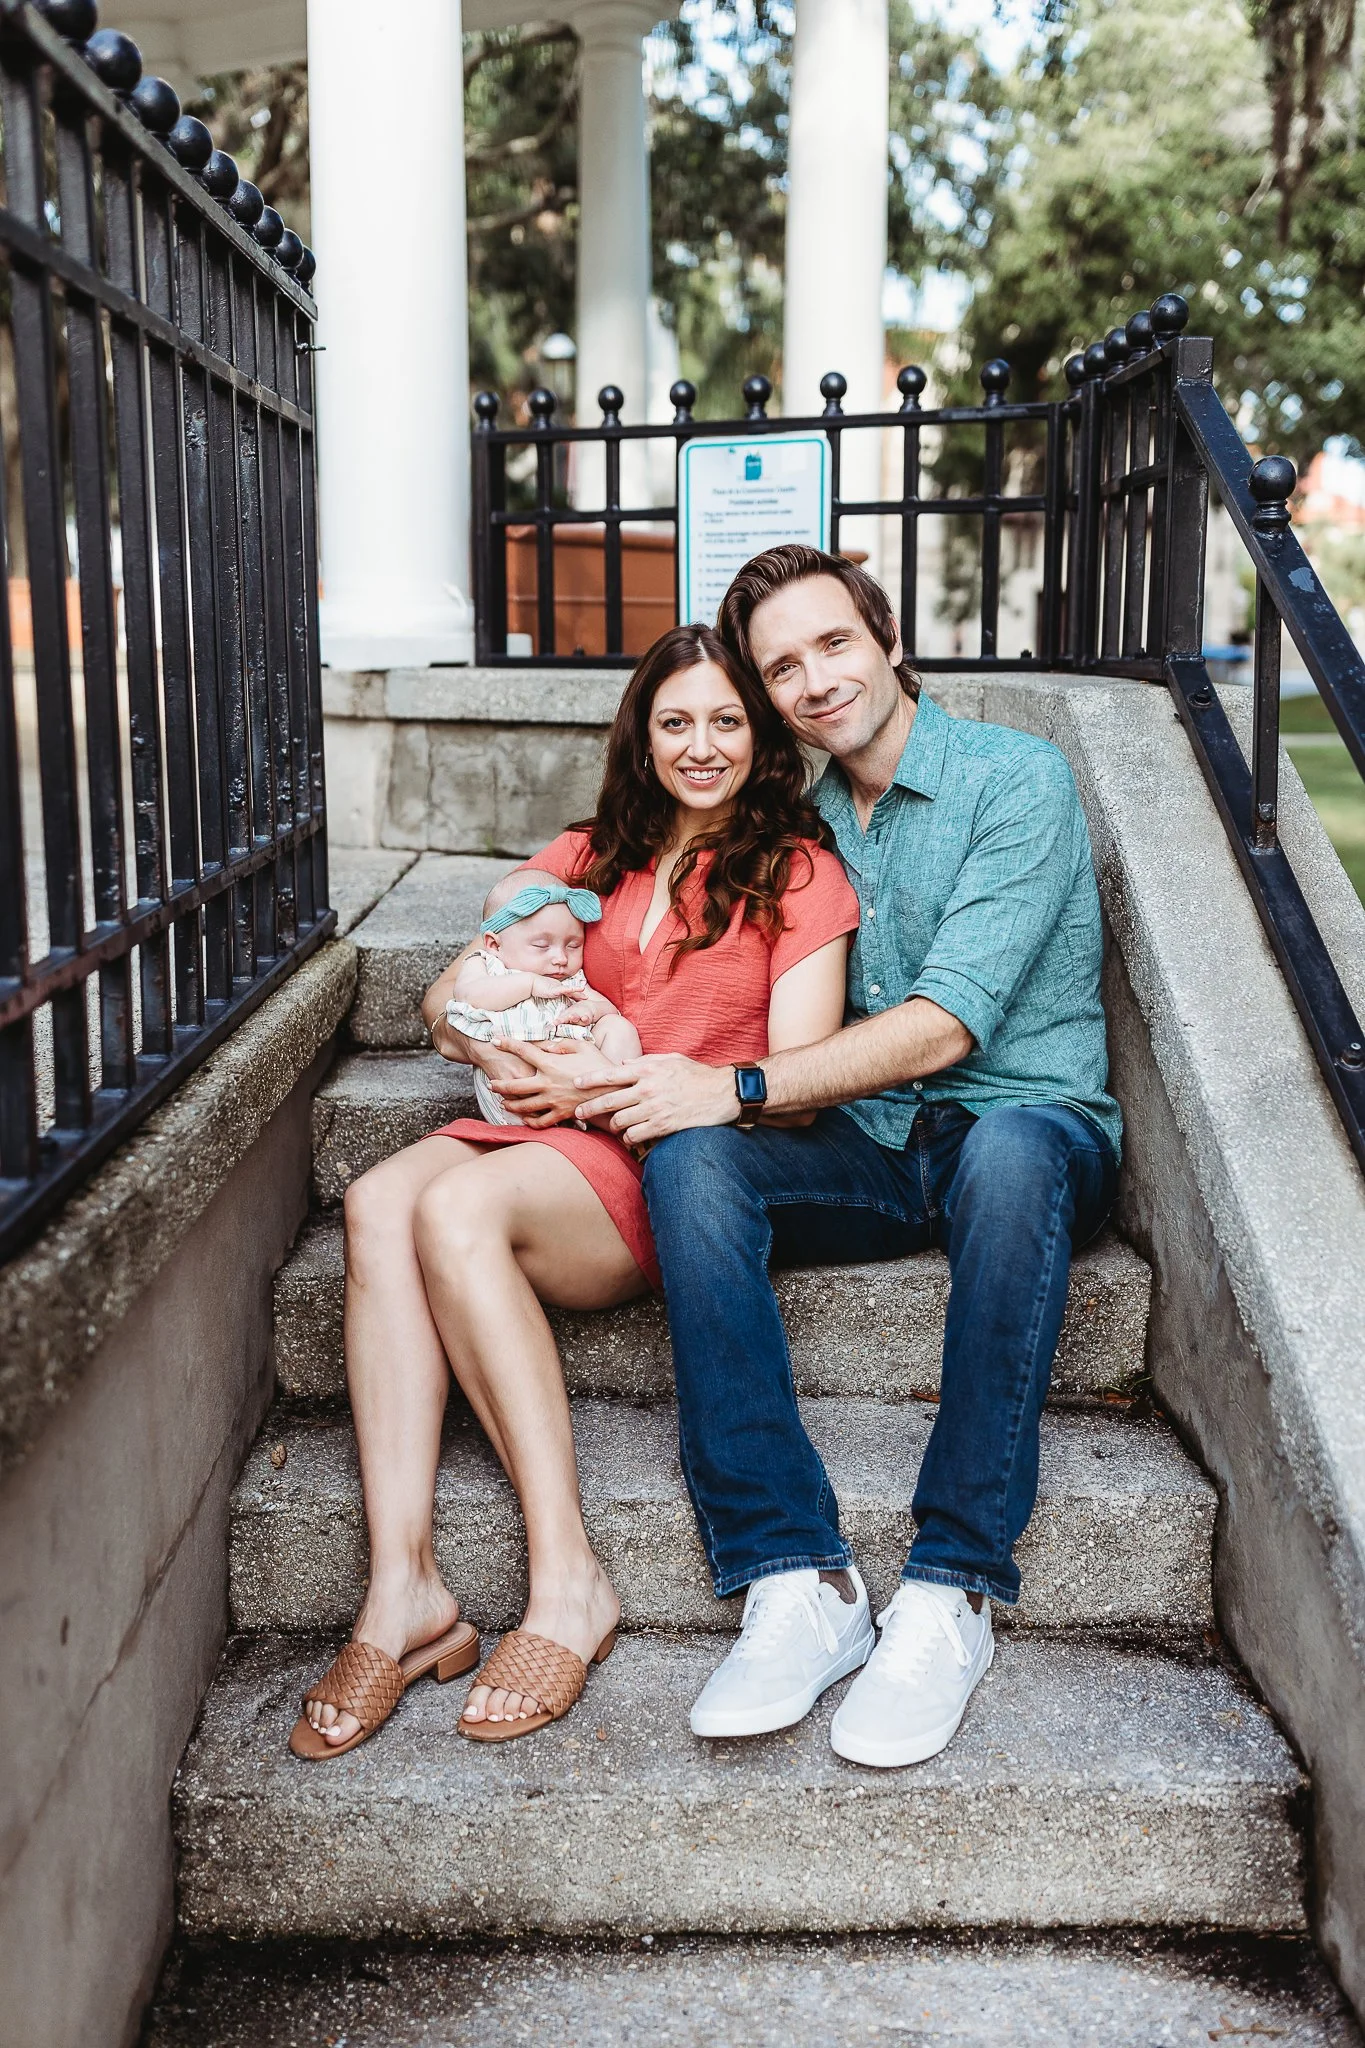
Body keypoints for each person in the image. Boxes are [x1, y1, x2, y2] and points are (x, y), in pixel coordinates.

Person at [555, 544, 1122, 1770]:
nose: (814, 680)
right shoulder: (794, 827)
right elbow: (616, 874)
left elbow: (947, 1023)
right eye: (782, 667)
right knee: (693, 1154)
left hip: (1024, 1128)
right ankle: (796, 1573)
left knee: (1012, 1152)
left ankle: (953, 1585)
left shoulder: (1014, 780)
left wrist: (743, 1080)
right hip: (869, 1151)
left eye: (832, 643)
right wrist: (525, 946)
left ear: (887, 636)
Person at [289, 622, 859, 1760]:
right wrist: (487, 1043)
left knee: (453, 1208)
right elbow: (451, 994)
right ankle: (403, 1589)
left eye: (727, 720)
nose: (702, 746)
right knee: (378, 1202)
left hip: (662, 1161)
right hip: (532, 1135)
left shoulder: (798, 871)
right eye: (676, 721)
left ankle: (568, 1581)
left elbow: (794, 1087)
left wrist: (614, 1074)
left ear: (763, 734)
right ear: (641, 737)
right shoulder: (585, 854)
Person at [445, 869, 641, 1126]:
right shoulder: (486, 966)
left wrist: (592, 1010)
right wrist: (529, 983)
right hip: (514, 1092)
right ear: (495, 944)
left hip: (578, 1082)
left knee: (618, 1027)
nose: (560, 958)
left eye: (573, 945)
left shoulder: (570, 980)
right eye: (541, 946)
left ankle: (618, 1107)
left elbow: (609, 1009)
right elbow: (468, 995)